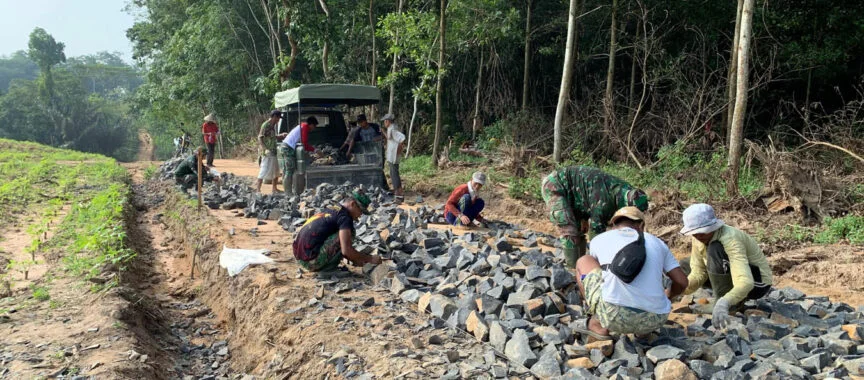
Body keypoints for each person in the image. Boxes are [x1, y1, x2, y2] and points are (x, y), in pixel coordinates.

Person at [572, 207, 689, 339]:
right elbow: (682, 282)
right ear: (641, 225)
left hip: (613, 317)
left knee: (584, 260)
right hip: (655, 319)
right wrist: (668, 296)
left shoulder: (599, 239)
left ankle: (597, 323)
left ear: (614, 225)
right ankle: (643, 331)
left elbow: (598, 275)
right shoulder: (658, 243)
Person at [680, 203, 773, 329]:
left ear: (712, 227)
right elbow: (698, 271)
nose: (698, 236)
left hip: (758, 283)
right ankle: (729, 299)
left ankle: (731, 305)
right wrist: (679, 289)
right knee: (684, 265)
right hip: (731, 275)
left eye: (702, 232)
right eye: (695, 233)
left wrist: (724, 303)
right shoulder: (697, 238)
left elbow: (745, 281)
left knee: (714, 250)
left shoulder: (730, 238)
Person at [541, 166, 649, 268]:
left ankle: (581, 264)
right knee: (569, 230)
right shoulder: (604, 204)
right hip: (555, 185)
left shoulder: (631, 191)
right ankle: (573, 270)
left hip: (578, 194)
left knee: (580, 229)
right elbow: (596, 236)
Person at [292, 191, 383, 271]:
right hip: (310, 261)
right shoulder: (344, 217)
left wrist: (356, 259)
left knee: (343, 236)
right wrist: (370, 259)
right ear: (353, 204)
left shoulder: (333, 209)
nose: (360, 215)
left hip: (300, 257)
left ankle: (325, 264)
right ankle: (328, 269)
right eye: (361, 211)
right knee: (350, 233)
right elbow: (346, 251)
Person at [280, 116, 319, 195]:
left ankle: (290, 191)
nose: (314, 128)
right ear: (311, 124)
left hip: (286, 147)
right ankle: (288, 193)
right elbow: (304, 143)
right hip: (288, 148)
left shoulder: (302, 125)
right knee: (289, 170)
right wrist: (315, 150)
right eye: (314, 126)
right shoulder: (305, 127)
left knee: (288, 170)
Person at [256, 110, 288, 193]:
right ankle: (258, 189)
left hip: (273, 151)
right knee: (264, 169)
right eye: (278, 118)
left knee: (276, 170)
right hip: (267, 152)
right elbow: (260, 137)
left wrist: (281, 136)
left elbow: (272, 137)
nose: (278, 120)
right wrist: (264, 148)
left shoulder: (272, 126)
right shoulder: (266, 125)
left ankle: (274, 189)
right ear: (274, 117)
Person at [382, 113, 406, 198]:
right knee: (393, 172)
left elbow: (402, 138)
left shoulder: (392, 129)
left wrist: (399, 148)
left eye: (385, 121)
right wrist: (383, 131)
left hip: (393, 155)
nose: (384, 123)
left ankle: (398, 191)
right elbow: (389, 138)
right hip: (391, 154)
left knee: (394, 172)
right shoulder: (390, 128)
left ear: (388, 121)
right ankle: (398, 190)